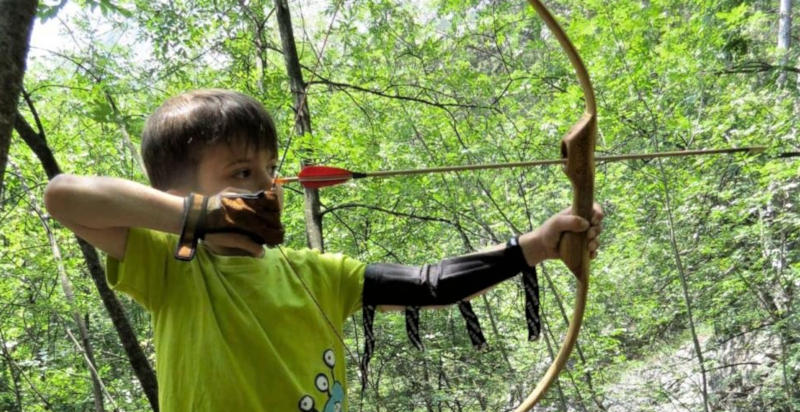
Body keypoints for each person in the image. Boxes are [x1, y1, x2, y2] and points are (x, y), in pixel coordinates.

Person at [44, 89, 603, 411]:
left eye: (269, 169)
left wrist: (535, 245)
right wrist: (199, 216)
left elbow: (431, 283)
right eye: (242, 172)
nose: (267, 186)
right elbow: (63, 195)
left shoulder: (316, 273)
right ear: (176, 194)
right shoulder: (173, 265)